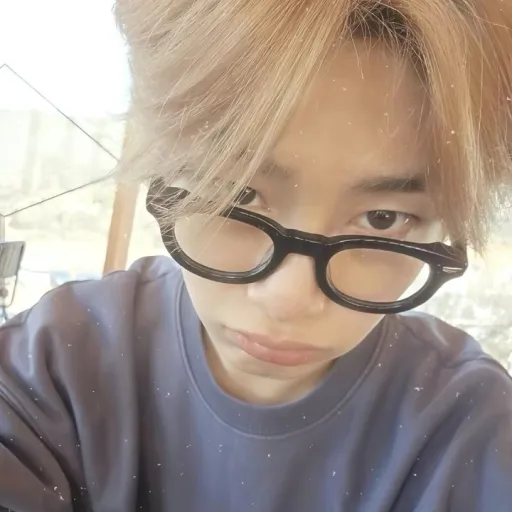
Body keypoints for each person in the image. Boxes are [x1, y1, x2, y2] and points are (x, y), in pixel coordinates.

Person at [1, 0, 512, 510]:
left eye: (383, 218)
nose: (288, 299)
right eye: (239, 194)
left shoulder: (468, 431)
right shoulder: (54, 365)